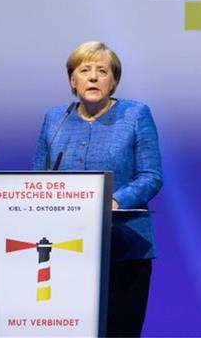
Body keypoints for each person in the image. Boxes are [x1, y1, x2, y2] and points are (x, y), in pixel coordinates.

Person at [32, 41, 163, 337]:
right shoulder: (55, 119)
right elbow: (38, 178)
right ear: (72, 80)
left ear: (113, 81)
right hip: (63, 249)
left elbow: (151, 176)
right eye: (85, 70)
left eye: (102, 71)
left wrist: (112, 202)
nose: (93, 77)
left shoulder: (136, 115)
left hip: (124, 247)